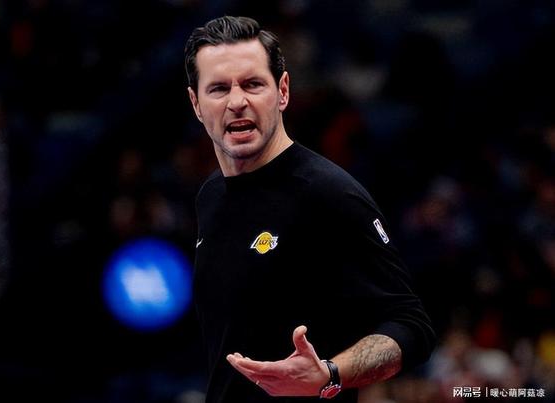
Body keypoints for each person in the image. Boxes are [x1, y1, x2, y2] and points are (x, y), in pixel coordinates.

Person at [184, 16, 435, 403]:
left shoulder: (329, 194)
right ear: (196, 104)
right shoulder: (210, 195)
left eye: (252, 84)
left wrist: (331, 373)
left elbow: (412, 326)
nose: (237, 102)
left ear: (282, 91)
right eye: (218, 89)